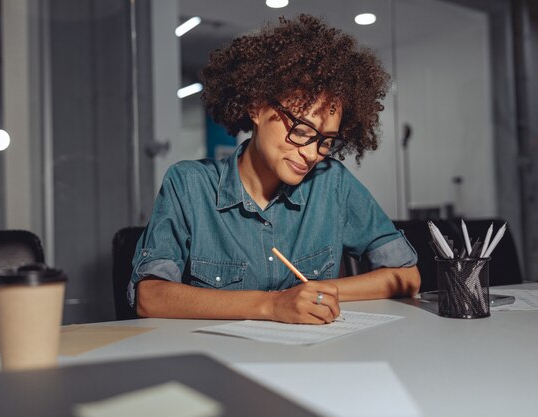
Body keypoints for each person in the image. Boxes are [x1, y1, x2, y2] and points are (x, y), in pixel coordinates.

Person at [128, 14, 420, 324]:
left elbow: (407, 276)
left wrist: (317, 295)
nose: (311, 154)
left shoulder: (333, 184)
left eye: (325, 141)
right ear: (256, 107)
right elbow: (150, 297)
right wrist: (272, 305)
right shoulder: (188, 185)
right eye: (302, 131)